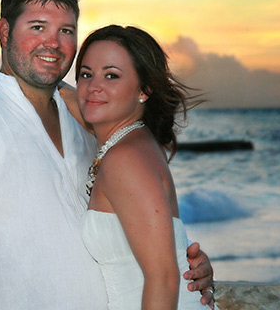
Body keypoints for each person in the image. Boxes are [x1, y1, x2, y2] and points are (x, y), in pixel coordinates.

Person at [0, 0, 215, 309]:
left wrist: (182, 265)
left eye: (66, 31)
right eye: (38, 27)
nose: (52, 43)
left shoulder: (86, 127)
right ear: (4, 32)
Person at [76, 25, 216, 309]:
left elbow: (163, 279)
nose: (93, 86)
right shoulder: (135, 142)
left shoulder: (125, 158)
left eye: (111, 75)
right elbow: (65, 96)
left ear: (144, 89)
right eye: (86, 74)